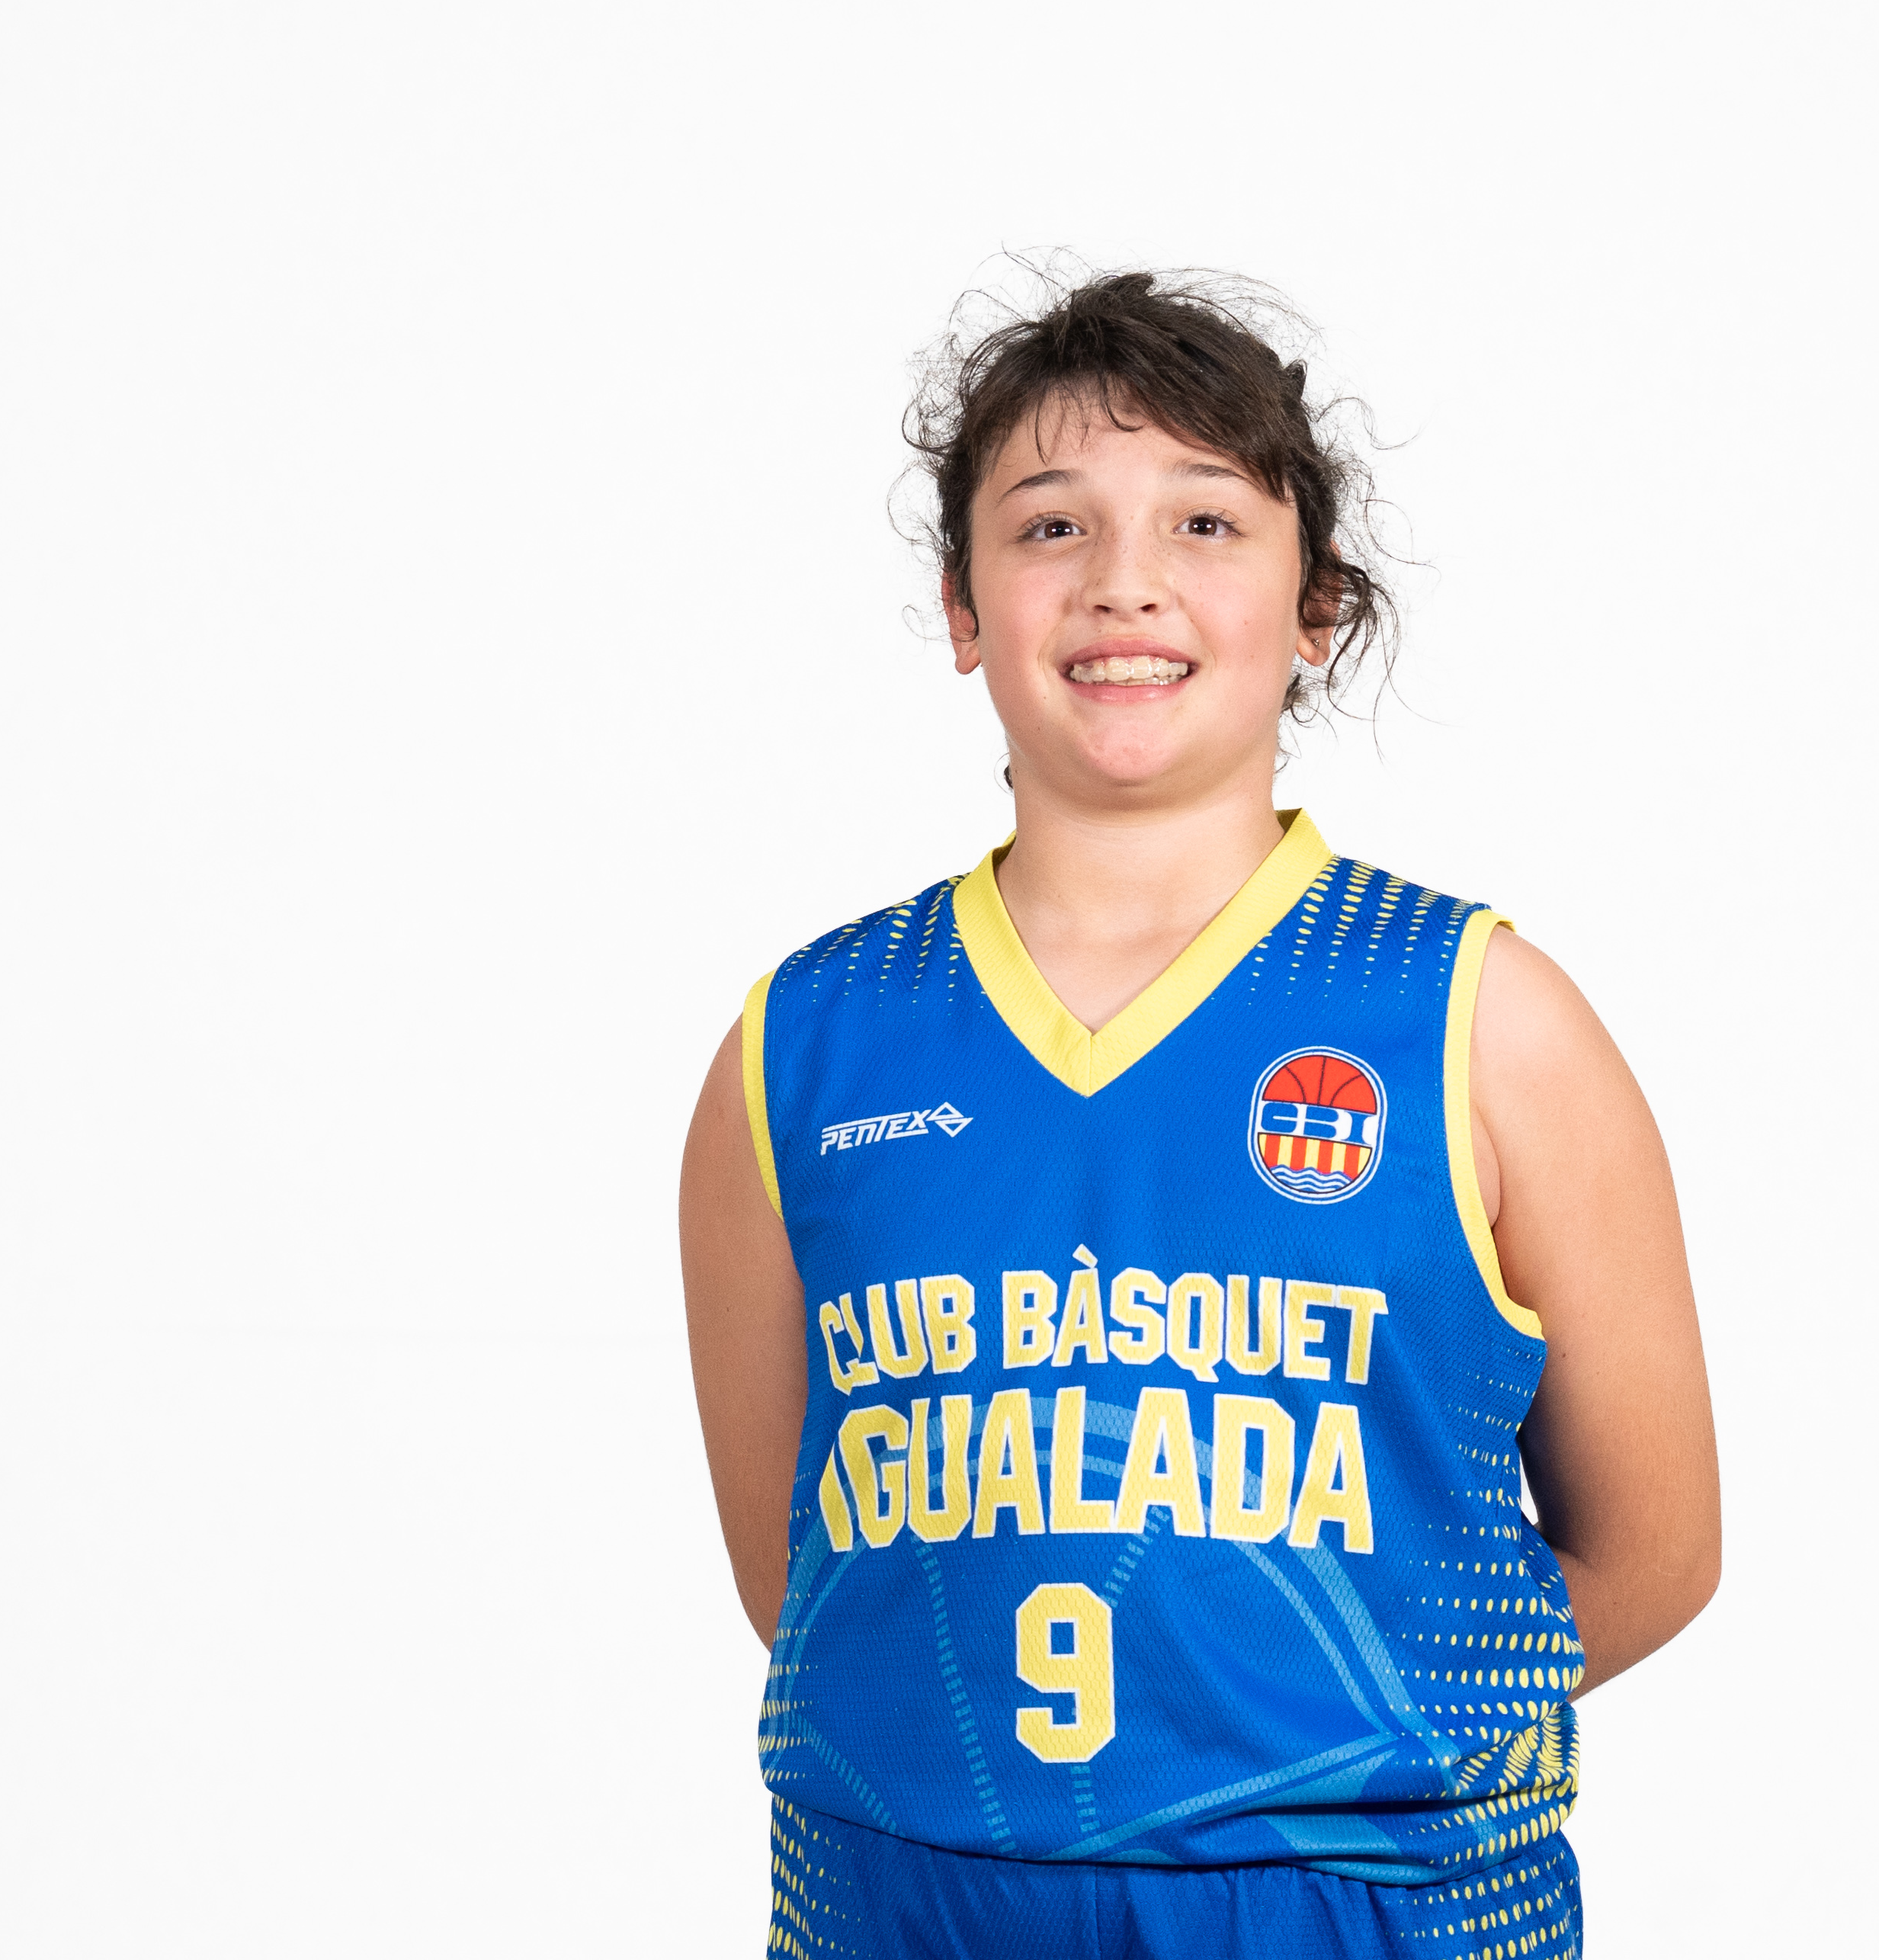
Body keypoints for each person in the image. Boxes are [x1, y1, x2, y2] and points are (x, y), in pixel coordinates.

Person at [680, 269, 1720, 1958]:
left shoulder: (1478, 1019)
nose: (1125, 580)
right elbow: (803, 1583)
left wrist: (1311, 1734)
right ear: (961, 606)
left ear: (1319, 607)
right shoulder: (804, 1044)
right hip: (908, 1908)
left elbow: (1660, 1547)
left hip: (1363, 1909)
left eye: (1207, 522)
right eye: (1050, 526)